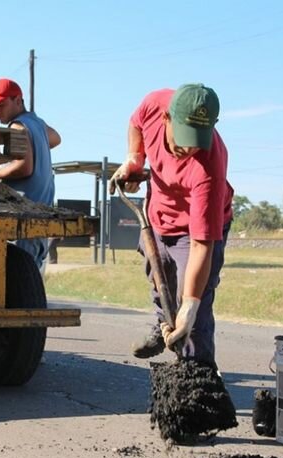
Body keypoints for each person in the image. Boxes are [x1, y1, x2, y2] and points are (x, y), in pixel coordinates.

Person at [110, 83, 234, 368]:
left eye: (196, 140)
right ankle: (164, 321)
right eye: (183, 137)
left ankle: (197, 372)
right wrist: (135, 157)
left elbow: (202, 243)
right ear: (166, 118)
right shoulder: (155, 103)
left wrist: (189, 307)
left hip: (196, 228)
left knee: (195, 305)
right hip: (158, 215)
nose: (188, 148)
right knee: (159, 279)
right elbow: (135, 122)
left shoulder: (209, 167)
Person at [0, 78, 61, 270]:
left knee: (18, 281)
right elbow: (56, 138)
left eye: (1, 104)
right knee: (30, 278)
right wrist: (37, 146)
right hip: (39, 214)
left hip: (23, 217)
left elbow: (25, 167)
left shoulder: (17, 127)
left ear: (18, 100)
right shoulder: (36, 123)